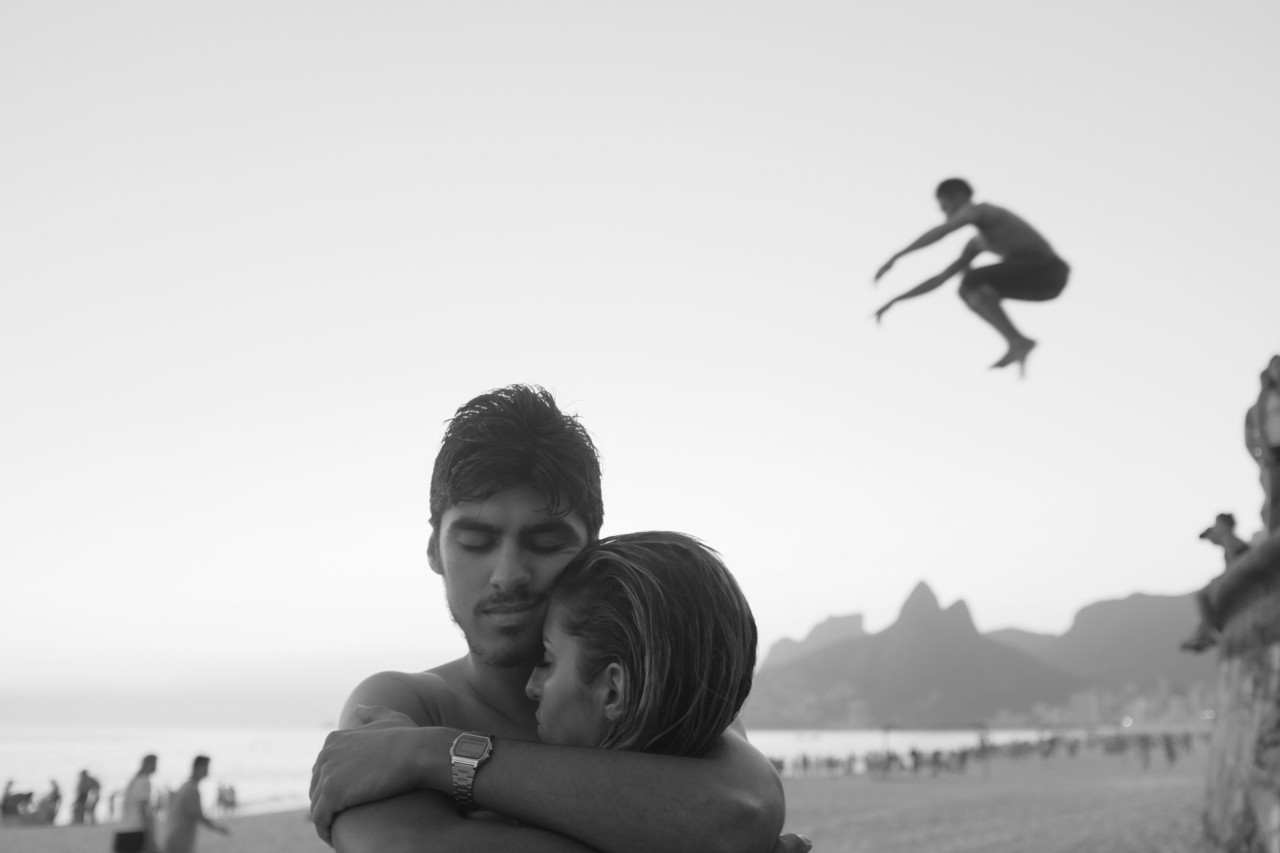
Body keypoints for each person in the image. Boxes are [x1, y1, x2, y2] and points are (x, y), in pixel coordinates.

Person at [308, 385, 807, 853]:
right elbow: (401, 847)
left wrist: (435, 755)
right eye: (477, 542)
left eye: (545, 542)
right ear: (434, 551)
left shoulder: (661, 687)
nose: (508, 574)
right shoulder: (403, 705)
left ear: (591, 550)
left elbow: (740, 811)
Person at [873, 178, 1070, 376]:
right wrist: (896, 300)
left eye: (944, 206)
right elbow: (940, 278)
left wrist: (896, 256)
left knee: (971, 282)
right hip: (1046, 287)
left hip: (1048, 269)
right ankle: (1017, 341)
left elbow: (942, 232)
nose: (944, 213)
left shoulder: (982, 210)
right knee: (970, 287)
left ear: (957, 196)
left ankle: (1017, 341)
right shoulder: (977, 243)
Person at [1182, 513, 1253, 653]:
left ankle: (1207, 633)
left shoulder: (1230, 540)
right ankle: (1203, 632)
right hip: (1238, 578)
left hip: (1240, 580)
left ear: (1223, 526)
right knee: (1206, 595)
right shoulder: (1231, 541)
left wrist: (1219, 579)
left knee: (1202, 595)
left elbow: (1235, 567)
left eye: (1217, 526)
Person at [162, 756, 229, 853]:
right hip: (179, 841)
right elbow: (198, 815)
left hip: (176, 839)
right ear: (198, 768)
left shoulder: (186, 786)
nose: (207, 771)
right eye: (206, 767)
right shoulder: (191, 789)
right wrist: (218, 828)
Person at [1246, 355, 1280, 535]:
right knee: (1274, 495)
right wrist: (1262, 456)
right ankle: (1271, 534)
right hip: (1274, 451)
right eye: (1276, 367)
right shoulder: (1264, 399)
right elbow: (1252, 435)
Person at [115, 754, 157, 853]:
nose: (156, 767)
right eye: (154, 764)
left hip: (123, 829)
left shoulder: (134, 780)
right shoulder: (143, 780)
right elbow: (144, 809)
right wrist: (150, 834)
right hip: (135, 830)